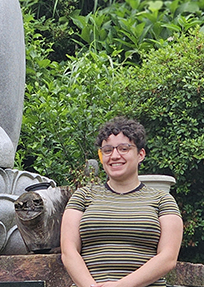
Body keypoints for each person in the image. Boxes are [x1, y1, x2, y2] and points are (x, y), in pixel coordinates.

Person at [60, 117, 183, 287]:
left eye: (124, 149)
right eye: (108, 150)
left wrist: (121, 286)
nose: (115, 156)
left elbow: (168, 257)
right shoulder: (83, 196)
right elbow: (69, 252)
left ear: (141, 154)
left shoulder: (162, 200)